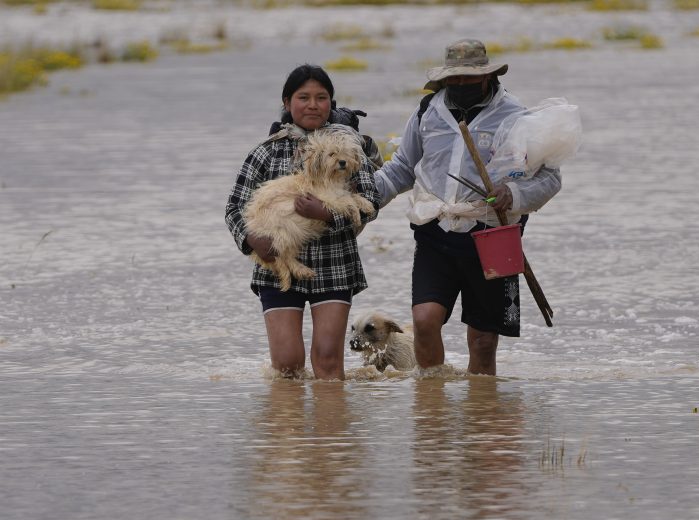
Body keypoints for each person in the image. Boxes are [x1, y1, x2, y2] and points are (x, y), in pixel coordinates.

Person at [374, 39, 562, 376]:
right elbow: (402, 167)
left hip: (494, 234)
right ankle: (432, 396)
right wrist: (364, 200)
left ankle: (482, 405)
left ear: (487, 76)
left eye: (468, 78)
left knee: (483, 341)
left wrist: (513, 194)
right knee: (425, 320)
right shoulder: (428, 111)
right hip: (436, 231)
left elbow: (549, 178)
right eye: (454, 78)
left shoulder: (515, 116)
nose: (460, 84)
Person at [225, 64, 381, 380]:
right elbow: (234, 207)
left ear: (331, 104)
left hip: (335, 264)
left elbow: (370, 203)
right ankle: (289, 414)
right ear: (287, 103)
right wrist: (251, 240)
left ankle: (330, 413)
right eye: (303, 97)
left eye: (321, 98)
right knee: (287, 364)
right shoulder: (266, 152)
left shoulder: (348, 148)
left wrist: (326, 214)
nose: (313, 105)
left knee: (328, 361)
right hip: (276, 266)